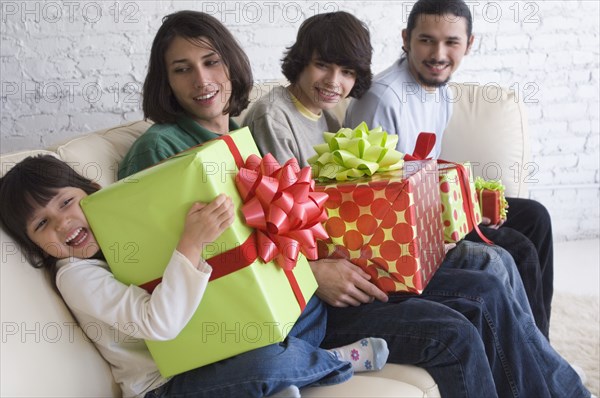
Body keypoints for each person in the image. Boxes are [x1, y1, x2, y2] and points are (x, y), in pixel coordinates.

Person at [243, 11, 590, 398]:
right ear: (300, 61)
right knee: (488, 276)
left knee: (496, 274)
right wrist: (317, 271)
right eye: (322, 66)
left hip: (362, 256)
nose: (334, 82)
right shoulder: (274, 118)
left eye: (346, 72)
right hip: (336, 279)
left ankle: (550, 380)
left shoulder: (322, 118)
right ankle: (558, 386)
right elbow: (279, 225)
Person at [0, 154, 391, 398]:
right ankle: (335, 362)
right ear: (35, 246)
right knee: (265, 366)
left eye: (67, 202)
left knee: (305, 303)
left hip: (201, 354)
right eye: (42, 225)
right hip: (166, 386)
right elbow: (160, 323)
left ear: (90, 192)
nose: (63, 223)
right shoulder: (75, 277)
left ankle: (276, 383)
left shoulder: (122, 238)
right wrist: (190, 243)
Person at [345, 0, 554, 338]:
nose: (438, 53)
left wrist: (470, 204)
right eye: (426, 39)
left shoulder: (440, 90)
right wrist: (456, 221)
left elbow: (430, 171)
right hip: (401, 230)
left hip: (432, 210)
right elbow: (375, 203)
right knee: (519, 250)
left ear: (469, 44)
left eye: (451, 42)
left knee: (536, 218)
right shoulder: (382, 99)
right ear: (405, 39)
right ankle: (532, 352)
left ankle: (541, 343)